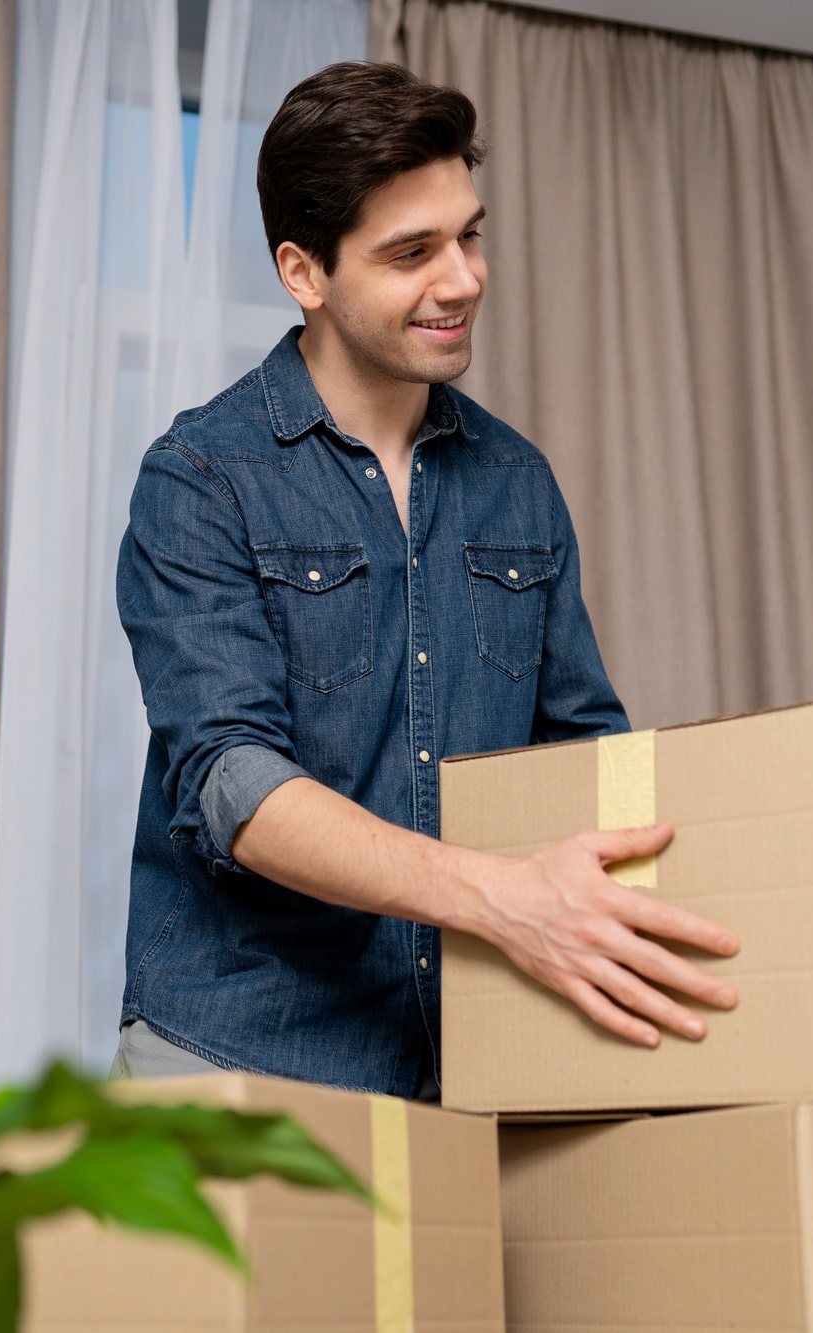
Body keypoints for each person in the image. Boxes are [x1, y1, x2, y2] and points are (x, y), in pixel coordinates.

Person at [110, 61, 738, 1099]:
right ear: (303, 272)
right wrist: (500, 900)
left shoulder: (516, 483)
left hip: (460, 1073)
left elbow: (581, 753)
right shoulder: (199, 479)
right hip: (232, 1058)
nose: (463, 279)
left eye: (469, 235)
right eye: (412, 253)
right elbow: (235, 787)